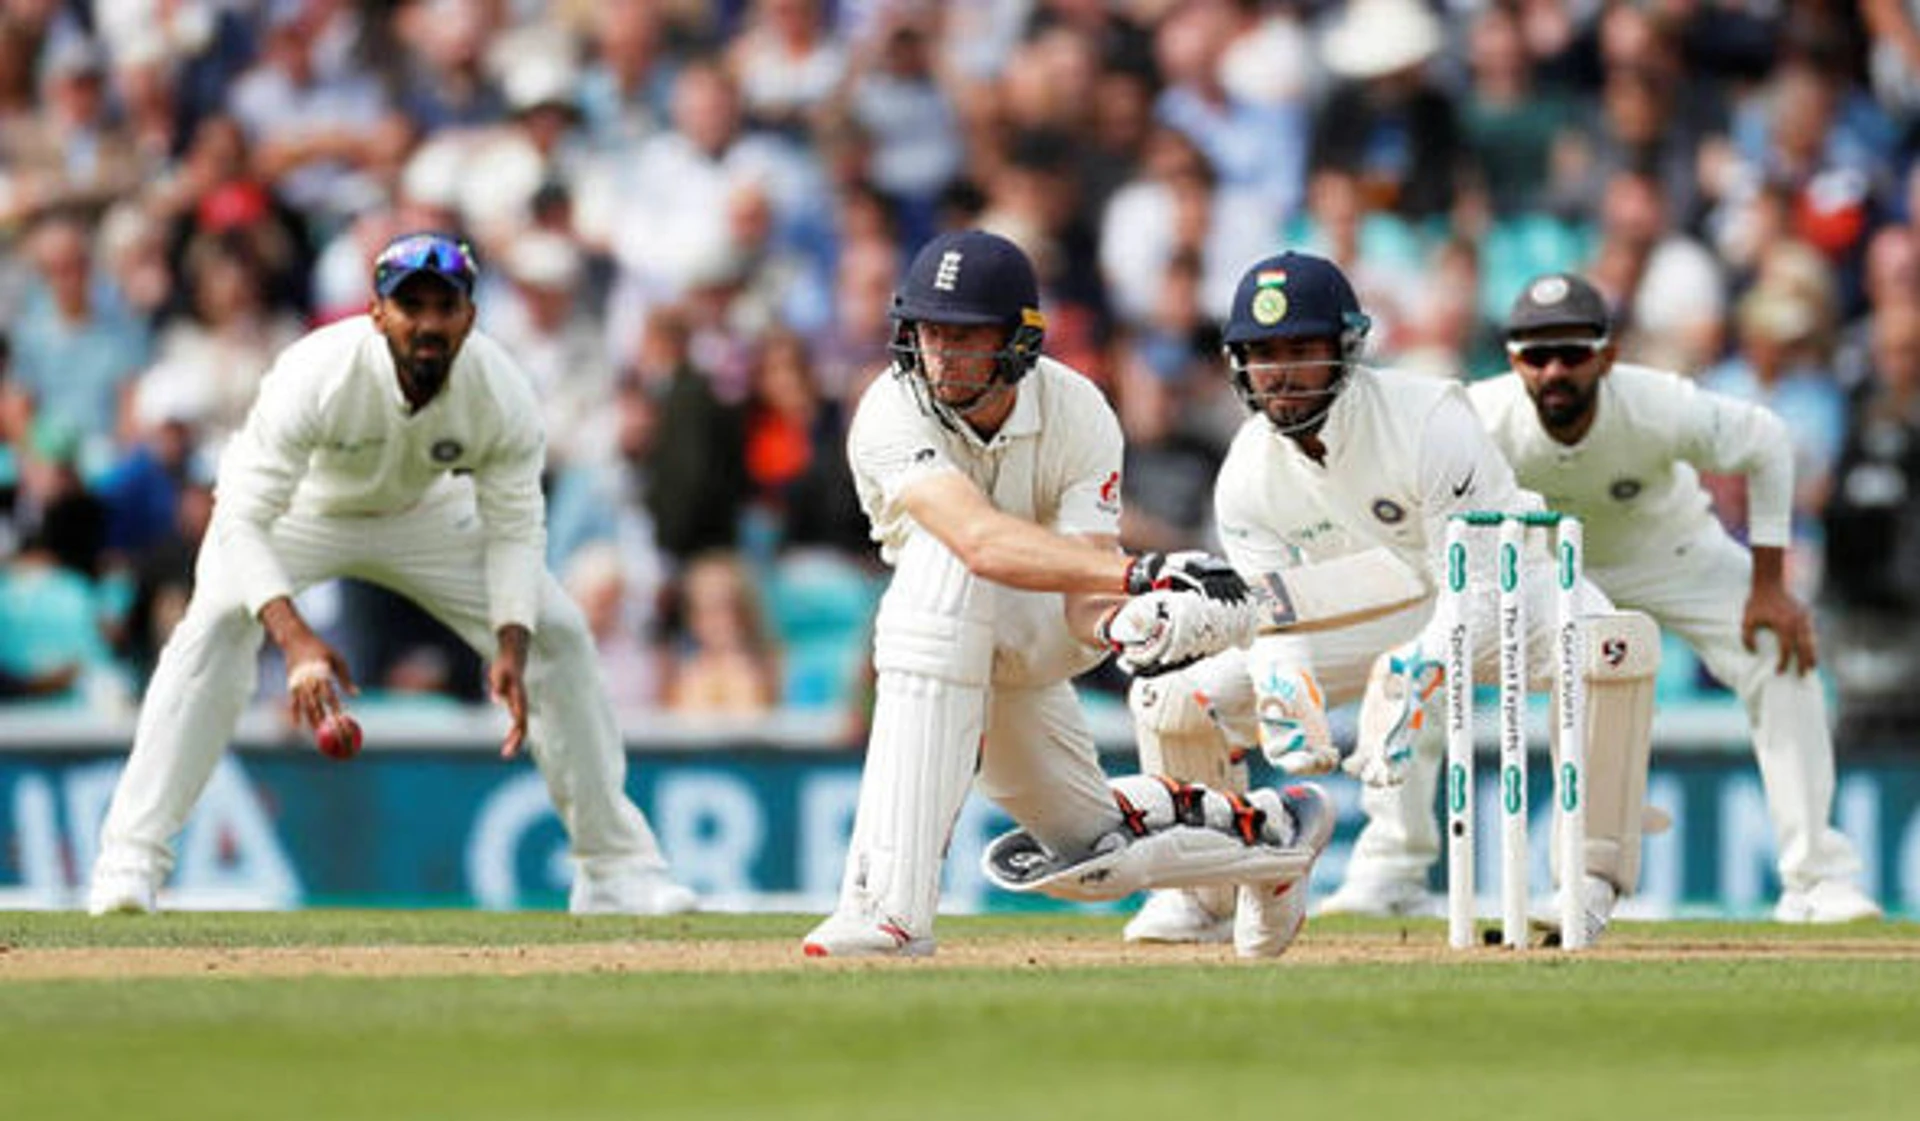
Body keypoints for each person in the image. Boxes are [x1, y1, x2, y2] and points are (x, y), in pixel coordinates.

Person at [87, 232, 696, 918]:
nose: (429, 322)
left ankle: (612, 868)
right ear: (377, 313)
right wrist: (296, 641)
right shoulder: (316, 370)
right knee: (212, 627)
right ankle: (130, 861)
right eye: (411, 306)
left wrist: (510, 634)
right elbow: (242, 519)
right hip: (302, 509)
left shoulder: (500, 389)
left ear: (469, 315)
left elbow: (517, 527)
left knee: (556, 631)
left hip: (426, 513)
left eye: (446, 306)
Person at [803, 229, 1335, 959]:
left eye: (965, 335)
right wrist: (1141, 575)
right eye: (928, 331)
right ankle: (1273, 840)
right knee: (1090, 855)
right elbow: (979, 539)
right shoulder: (890, 409)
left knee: (939, 575)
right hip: (950, 646)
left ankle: (887, 910)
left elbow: (1086, 596)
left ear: (1018, 342)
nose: (940, 354)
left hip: (1034, 624)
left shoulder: (1078, 410)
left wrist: (1143, 621)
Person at [1123, 251, 1659, 945]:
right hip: (1374, 601)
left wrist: (1416, 668)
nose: (1279, 372)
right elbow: (1271, 613)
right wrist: (1283, 682)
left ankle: (1586, 880)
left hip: (1508, 586)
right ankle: (1201, 893)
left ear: (1345, 349)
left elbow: (1480, 585)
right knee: (1173, 699)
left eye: (1299, 349)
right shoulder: (1246, 473)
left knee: (1611, 646)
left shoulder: (1429, 415)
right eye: (1261, 354)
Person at [1405, 271, 1873, 923]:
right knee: (1477, 661)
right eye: (1536, 355)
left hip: (1669, 551)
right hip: (1554, 571)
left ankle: (1818, 877)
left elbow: (1766, 441)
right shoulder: (1482, 419)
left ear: (1608, 354)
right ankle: (1562, 877)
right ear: (1513, 360)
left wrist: (1770, 586)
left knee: (1777, 649)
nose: (1555, 370)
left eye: (1573, 352)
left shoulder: (1657, 403)